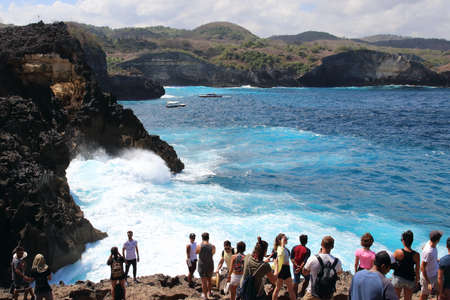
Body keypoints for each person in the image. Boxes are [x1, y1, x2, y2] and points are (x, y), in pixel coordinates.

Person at [303, 236, 343, 300]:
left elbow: (304, 272)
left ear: (321, 245)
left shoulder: (313, 258)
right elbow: (339, 272)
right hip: (327, 295)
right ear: (332, 247)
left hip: (312, 293)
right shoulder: (337, 262)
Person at [392, 230, 420, 300]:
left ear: (403, 241)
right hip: (409, 279)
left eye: (401, 239)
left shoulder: (398, 252)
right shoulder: (416, 255)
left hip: (398, 278)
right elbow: (417, 270)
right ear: (412, 241)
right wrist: (416, 280)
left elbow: (391, 264)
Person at [272, 233, 295, 300]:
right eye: (284, 239)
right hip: (280, 270)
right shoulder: (276, 250)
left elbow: (288, 260)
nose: (286, 240)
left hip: (287, 269)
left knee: (291, 289)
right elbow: (275, 262)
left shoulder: (287, 250)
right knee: (277, 289)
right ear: (280, 241)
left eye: (286, 239)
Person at [421, 230, 443, 300]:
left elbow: (422, 247)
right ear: (438, 240)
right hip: (428, 277)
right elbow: (422, 267)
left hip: (435, 273)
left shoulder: (429, 243)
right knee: (424, 294)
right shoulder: (429, 252)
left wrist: (435, 260)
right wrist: (428, 282)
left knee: (439, 291)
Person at [197, 232, 216, 299]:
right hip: (210, 264)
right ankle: (210, 293)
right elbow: (213, 253)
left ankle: (205, 296)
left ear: (202, 238)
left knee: (203, 282)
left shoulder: (199, 246)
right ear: (208, 238)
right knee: (209, 280)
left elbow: (196, 252)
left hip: (202, 265)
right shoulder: (212, 246)